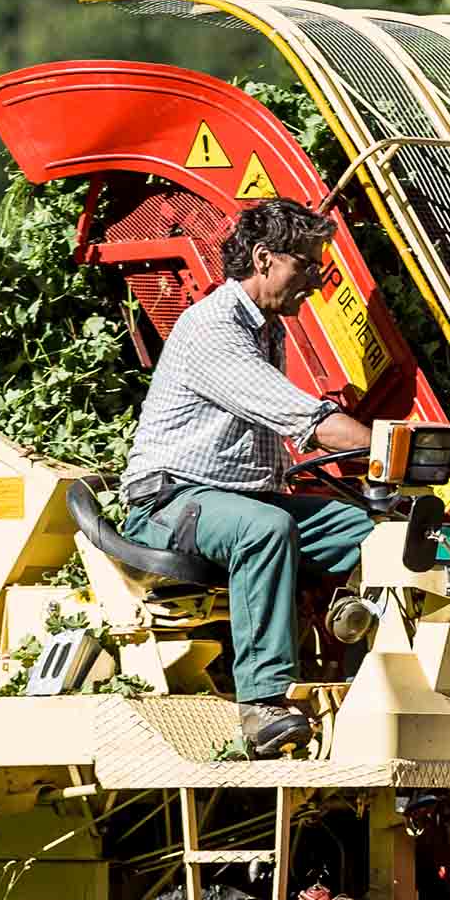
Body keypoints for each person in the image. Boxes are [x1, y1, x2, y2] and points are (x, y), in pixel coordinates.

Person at [120, 197, 375, 759]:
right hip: (169, 504)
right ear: (264, 258)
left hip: (236, 499)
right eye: (306, 265)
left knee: (368, 530)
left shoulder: (267, 330)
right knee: (263, 529)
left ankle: (356, 644)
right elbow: (303, 418)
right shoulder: (214, 329)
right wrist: (392, 446)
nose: (316, 280)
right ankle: (262, 703)